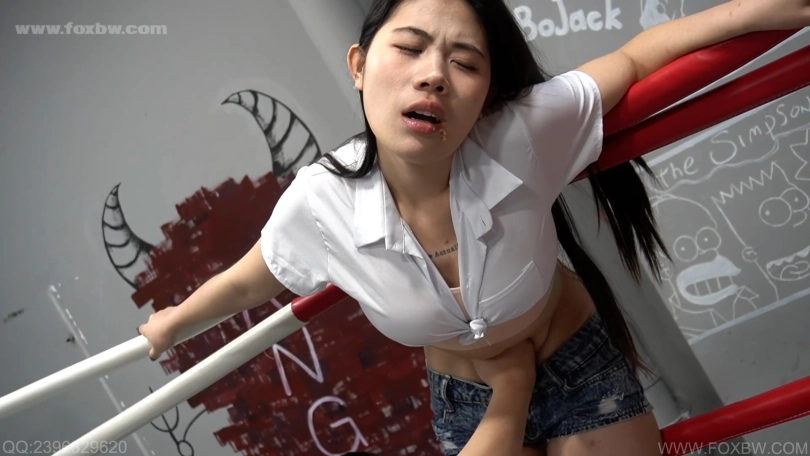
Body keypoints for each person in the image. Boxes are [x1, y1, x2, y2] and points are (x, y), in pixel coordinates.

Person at [138, 0, 810, 454]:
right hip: (471, 395)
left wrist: (779, 9)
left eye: (464, 63)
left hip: (575, 360)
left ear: (487, 92)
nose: (433, 75)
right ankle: (511, 391)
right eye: (409, 48)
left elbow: (638, 57)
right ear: (359, 65)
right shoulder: (320, 202)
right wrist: (172, 324)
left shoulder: (520, 134)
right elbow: (250, 279)